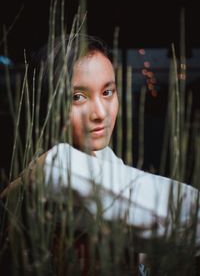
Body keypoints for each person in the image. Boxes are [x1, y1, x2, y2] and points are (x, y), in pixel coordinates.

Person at [1, 34, 200, 275]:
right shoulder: (57, 167)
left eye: (107, 92)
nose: (100, 113)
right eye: (78, 97)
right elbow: (189, 221)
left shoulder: (105, 158)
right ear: (47, 104)